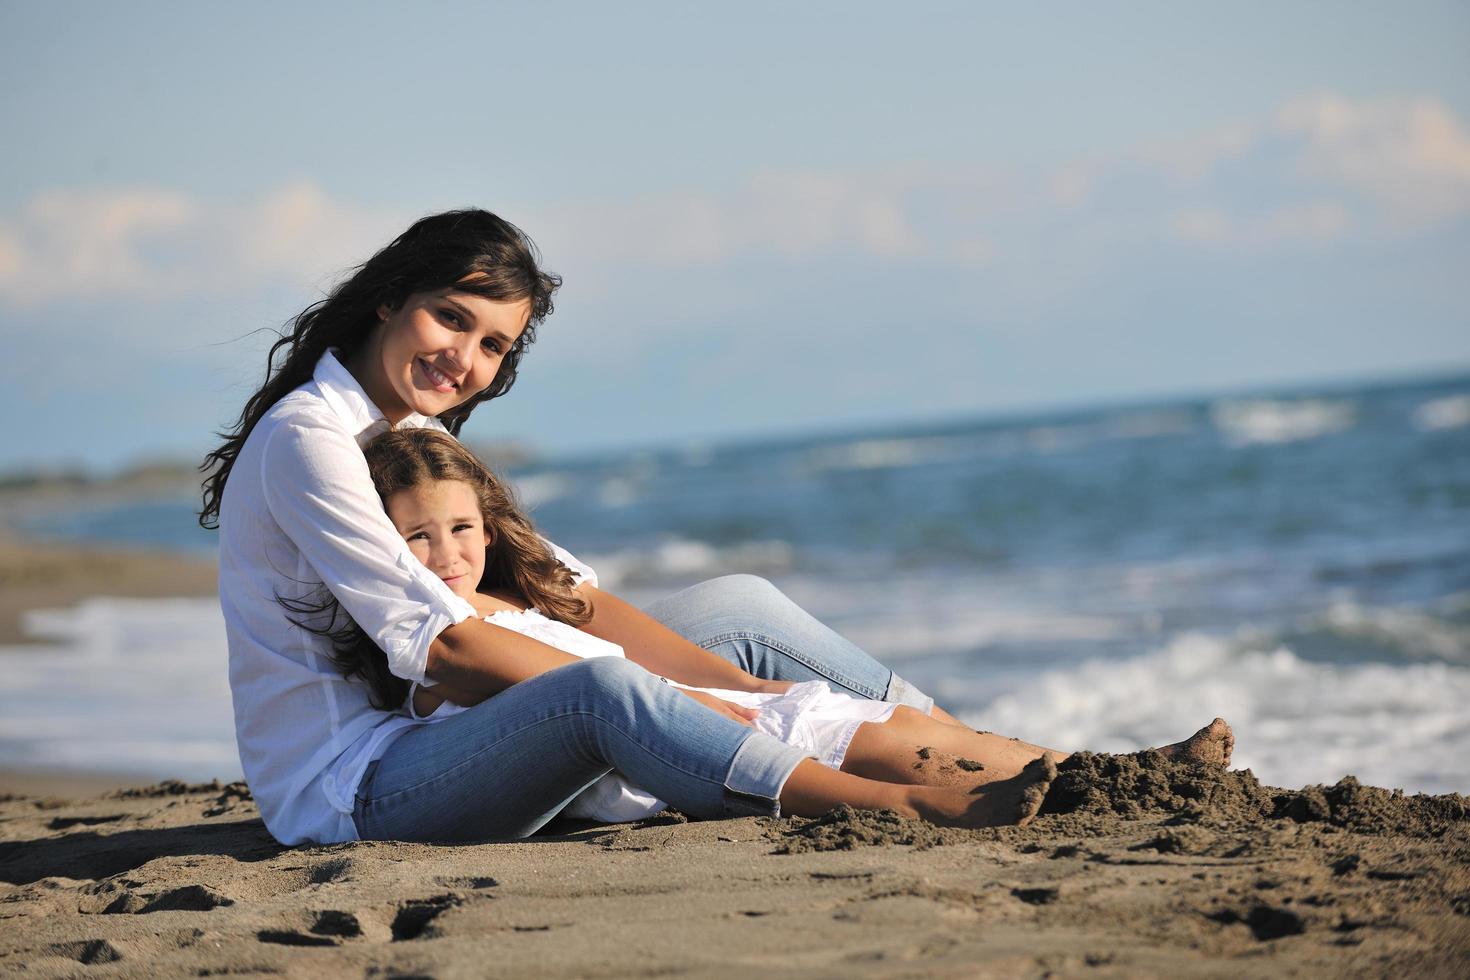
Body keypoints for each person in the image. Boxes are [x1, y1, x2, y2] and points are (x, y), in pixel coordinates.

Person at [202, 208, 1233, 846]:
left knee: (738, 612)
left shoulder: (412, 432)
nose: (464, 357)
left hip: (450, 730)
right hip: (365, 785)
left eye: (493, 346)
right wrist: (697, 702)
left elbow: (568, 596)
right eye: (450, 317)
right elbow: (449, 646)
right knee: (611, 687)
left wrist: (743, 685)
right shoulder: (309, 438)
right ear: (390, 299)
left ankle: (1057, 769)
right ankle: (894, 804)